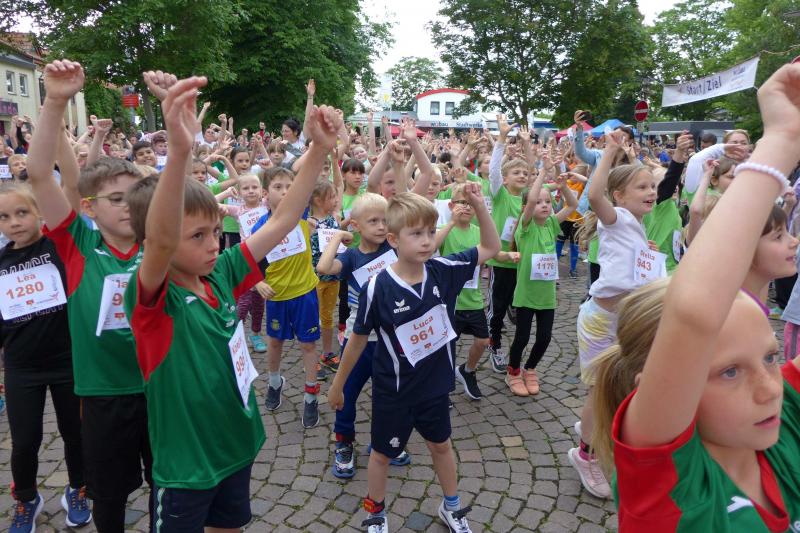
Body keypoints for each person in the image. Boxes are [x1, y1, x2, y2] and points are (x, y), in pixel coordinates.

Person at [123, 72, 342, 532]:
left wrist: (320, 150)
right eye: (197, 236)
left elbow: (282, 220)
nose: (212, 244)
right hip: (186, 466)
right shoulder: (153, 300)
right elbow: (161, 239)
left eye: (212, 232)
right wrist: (180, 150)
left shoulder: (220, 272)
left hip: (235, 445)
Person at [591, 61, 800, 531]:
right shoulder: (669, 488)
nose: (772, 388)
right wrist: (783, 140)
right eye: (729, 371)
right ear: (658, 387)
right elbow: (694, 314)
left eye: (771, 357)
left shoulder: (783, 420)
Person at [328, 186, 500, 533]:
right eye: (416, 233)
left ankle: (452, 507)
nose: (426, 241)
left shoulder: (443, 270)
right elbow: (357, 339)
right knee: (382, 454)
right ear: (393, 239)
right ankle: (376, 512)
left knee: (441, 446)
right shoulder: (378, 286)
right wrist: (338, 385)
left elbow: (491, 248)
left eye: (431, 232)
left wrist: (479, 206)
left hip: (434, 387)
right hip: (394, 390)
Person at [27, 59, 151, 533]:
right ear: (88, 208)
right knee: (109, 496)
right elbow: (41, 175)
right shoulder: (78, 245)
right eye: (115, 199)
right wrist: (56, 102)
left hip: (159, 387)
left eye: (134, 198)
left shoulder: (159, 246)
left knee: (169, 485)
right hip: (103, 394)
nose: (127, 208)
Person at [571, 129, 664, 499]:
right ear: (620, 196)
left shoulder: (636, 226)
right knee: (599, 392)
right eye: (642, 187)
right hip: (599, 322)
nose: (651, 192)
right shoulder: (616, 217)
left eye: (652, 187)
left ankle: (594, 433)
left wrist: (646, 251)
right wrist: (609, 152)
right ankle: (585, 455)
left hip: (624, 322)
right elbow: (595, 195)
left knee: (620, 385)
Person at [0, 182, 91, 532]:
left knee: (75, 433)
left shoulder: (58, 247)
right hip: (21, 367)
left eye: (22, 212)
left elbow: (72, 195)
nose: (14, 222)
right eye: (4, 217)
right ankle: (26, 499)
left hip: (68, 360)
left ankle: (77, 488)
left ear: (39, 212)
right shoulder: (1, 262)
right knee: (24, 441)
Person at [317, 192, 413, 479]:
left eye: (385, 220)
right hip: (358, 341)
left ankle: (383, 442)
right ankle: (344, 443)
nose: (381, 226)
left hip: (391, 339)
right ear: (357, 225)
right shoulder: (352, 257)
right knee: (346, 393)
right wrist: (338, 235)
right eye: (373, 221)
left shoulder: (393, 249)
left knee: (390, 394)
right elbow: (323, 268)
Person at [251, 166, 323, 428]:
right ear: (265, 193)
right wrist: (258, 282)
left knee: (308, 345)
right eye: (278, 187)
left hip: (305, 293)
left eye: (289, 187)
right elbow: (248, 262)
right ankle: (274, 382)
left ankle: (311, 395)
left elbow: (306, 176)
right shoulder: (260, 227)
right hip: (277, 296)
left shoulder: (300, 214)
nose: (285, 192)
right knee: (275, 342)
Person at [505, 172, 577, 396]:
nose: (544, 205)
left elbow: (572, 205)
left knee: (544, 338)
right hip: (526, 294)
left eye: (548, 202)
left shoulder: (551, 224)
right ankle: (513, 371)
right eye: (539, 202)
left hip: (547, 295)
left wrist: (563, 186)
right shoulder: (526, 227)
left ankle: (530, 369)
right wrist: (544, 173)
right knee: (522, 337)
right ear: (527, 207)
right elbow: (530, 202)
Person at [434, 183, 492, 400]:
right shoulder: (445, 229)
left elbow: (492, 250)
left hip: (473, 299)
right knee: (446, 346)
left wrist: (507, 256)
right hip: (451, 301)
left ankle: (467, 370)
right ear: (451, 205)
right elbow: (431, 247)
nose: (466, 207)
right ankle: (442, 387)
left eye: (471, 204)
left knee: (483, 341)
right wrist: (451, 222)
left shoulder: (478, 232)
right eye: (461, 203)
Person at [486, 115, 528, 373]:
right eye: (516, 172)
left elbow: (539, 176)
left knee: (519, 305)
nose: (522, 175)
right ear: (505, 179)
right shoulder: (500, 195)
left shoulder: (527, 198)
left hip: (521, 262)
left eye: (525, 173)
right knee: (497, 307)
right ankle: (495, 345)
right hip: (501, 260)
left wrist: (527, 147)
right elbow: (493, 171)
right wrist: (501, 139)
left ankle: (516, 349)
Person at [216, 173, 273, 353]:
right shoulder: (238, 210)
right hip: (246, 260)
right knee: (244, 301)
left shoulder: (266, 205)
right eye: (246, 188)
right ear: (239, 193)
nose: (250, 191)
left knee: (259, 301)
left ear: (262, 190)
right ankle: (234, 334)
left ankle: (255, 334)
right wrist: (226, 193)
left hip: (265, 258)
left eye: (254, 187)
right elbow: (211, 203)